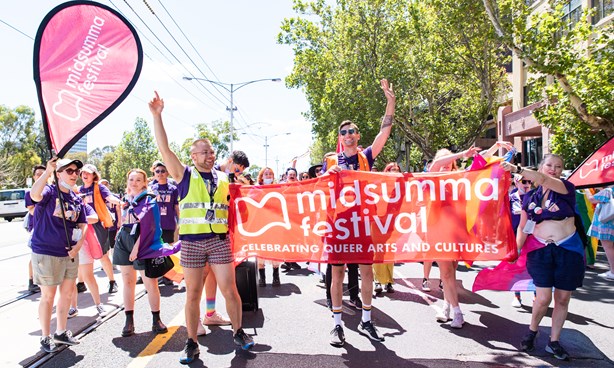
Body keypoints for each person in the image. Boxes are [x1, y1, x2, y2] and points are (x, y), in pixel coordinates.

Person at [149, 91, 254, 364]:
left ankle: (239, 332)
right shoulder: (184, 175)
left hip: (219, 241)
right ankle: (192, 343)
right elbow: (165, 149)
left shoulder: (224, 177)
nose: (210, 154)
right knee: (193, 294)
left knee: (230, 289)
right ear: (193, 155)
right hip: (193, 243)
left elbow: (249, 197)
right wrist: (157, 116)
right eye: (204, 151)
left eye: (211, 151)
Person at [322, 78, 395, 346]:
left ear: (358, 135)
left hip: (363, 222)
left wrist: (391, 102)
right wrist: (327, 176)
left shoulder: (366, 156)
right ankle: (337, 325)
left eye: (352, 131)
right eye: (344, 132)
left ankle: (366, 321)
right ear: (340, 139)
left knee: (366, 272)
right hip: (339, 224)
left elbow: (384, 133)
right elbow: (318, 189)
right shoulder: (330, 160)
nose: (348, 135)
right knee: (337, 274)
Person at [501, 154, 585, 361]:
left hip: (568, 251)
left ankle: (554, 341)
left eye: (558, 166)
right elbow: (523, 227)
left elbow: (546, 180)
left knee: (563, 299)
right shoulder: (530, 197)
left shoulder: (566, 188)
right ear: (541, 167)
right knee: (543, 298)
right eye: (549, 165)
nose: (553, 169)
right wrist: (516, 251)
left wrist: (515, 169)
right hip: (540, 251)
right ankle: (532, 331)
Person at [30, 158, 87, 353]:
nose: (74, 174)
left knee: (68, 294)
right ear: (59, 173)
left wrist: (78, 245)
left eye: (76, 171)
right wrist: (47, 172)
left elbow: (82, 224)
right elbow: (34, 195)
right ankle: (45, 337)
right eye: (69, 170)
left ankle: (61, 332)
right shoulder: (48, 192)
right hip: (46, 252)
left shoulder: (76, 198)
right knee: (48, 296)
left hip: (70, 253)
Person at [113, 169, 169, 337]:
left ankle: (156, 319)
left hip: (142, 242)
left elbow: (149, 227)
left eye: (138, 180)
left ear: (145, 182)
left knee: (149, 282)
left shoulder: (149, 200)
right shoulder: (126, 199)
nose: (134, 182)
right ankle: (129, 321)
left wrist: (137, 248)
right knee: (127, 281)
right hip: (124, 239)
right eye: (131, 179)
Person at [79, 164, 121, 294]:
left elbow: (110, 197)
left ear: (94, 175)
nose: (85, 175)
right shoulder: (78, 190)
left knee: (103, 255)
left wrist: (119, 201)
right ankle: (80, 283)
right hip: (83, 224)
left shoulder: (99, 187)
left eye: (89, 173)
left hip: (98, 225)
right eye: (83, 173)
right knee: (82, 254)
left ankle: (112, 281)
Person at [68, 202, 109, 319]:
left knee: (88, 276)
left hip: (83, 245)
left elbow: (94, 218)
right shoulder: (60, 203)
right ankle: (73, 307)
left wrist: (75, 218)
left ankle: (98, 304)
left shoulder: (81, 205)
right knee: (70, 279)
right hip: (66, 245)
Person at [373, 162, 401, 294]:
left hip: (393, 223)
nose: (395, 171)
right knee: (378, 251)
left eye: (397, 169)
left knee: (390, 251)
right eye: (392, 169)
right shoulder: (379, 185)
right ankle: (377, 281)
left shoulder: (402, 187)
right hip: (378, 222)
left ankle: (389, 282)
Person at [510, 174, 535, 307]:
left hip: (533, 236)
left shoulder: (536, 197)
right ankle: (517, 296)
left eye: (529, 181)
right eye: (523, 181)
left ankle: (536, 295)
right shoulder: (510, 198)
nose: (527, 184)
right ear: (516, 181)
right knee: (517, 266)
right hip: (515, 236)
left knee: (534, 266)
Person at [255, 167, 281, 286]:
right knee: (260, 251)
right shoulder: (255, 189)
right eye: (266, 174)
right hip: (260, 225)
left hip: (274, 224)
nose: (268, 176)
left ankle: (276, 277)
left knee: (275, 250)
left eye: (270, 174)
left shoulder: (278, 189)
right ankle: (262, 278)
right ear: (261, 176)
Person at [24, 164, 46, 293]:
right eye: (38, 174)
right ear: (33, 176)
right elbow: (31, 210)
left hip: (50, 227)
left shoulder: (51, 189)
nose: (40, 176)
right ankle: (31, 281)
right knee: (34, 255)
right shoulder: (29, 193)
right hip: (37, 228)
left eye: (43, 174)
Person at [585, 186, 614, 280]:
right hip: (611, 223)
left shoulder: (607, 191)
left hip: (606, 224)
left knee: (608, 247)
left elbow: (592, 199)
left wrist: (586, 189)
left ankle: (613, 272)